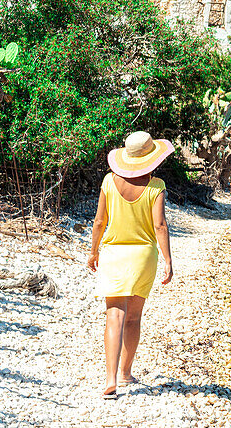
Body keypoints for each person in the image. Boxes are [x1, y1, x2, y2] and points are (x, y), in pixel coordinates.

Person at [87, 131, 175, 399]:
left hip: (113, 254)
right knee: (134, 317)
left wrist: (93, 252)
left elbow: (99, 221)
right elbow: (159, 225)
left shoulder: (108, 181)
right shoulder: (156, 186)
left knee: (114, 316)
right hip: (143, 256)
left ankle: (110, 380)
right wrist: (168, 259)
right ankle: (126, 373)